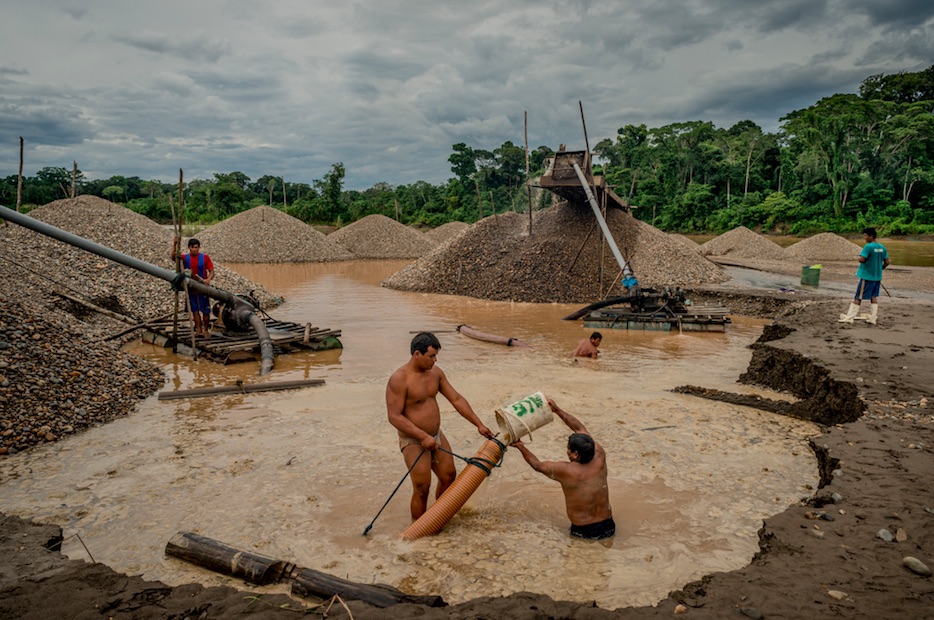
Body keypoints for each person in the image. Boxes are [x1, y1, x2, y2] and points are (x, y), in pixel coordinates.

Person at [386, 331, 494, 520]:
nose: (434, 360)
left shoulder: (436, 373)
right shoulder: (400, 379)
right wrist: (422, 436)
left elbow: (456, 399)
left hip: (436, 435)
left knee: (449, 475)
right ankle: (419, 532)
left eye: (436, 356)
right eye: (431, 356)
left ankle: (438, 518)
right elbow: (394, 416)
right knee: (422, 487)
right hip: (413, 439)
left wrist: (479, 424)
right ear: (417, 354)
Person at [510, 398, 615, 540]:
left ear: (575, 454)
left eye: (568, 448)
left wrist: (521, 446)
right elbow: (579, 428)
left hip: (584, 531)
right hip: (609, 525)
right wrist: (557, 410)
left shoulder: (565, 470)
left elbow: (537, 465)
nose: (566, 451)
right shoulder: (599, 454)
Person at [839, 227, 889, 325]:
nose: (864, 238)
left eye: (865, 236)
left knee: (858, 297)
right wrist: (879, 268)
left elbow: (862, 259)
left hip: (867, 277)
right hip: (877, 277)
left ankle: (849, 318)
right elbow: (887, 262)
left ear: (871, 236)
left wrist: (858, 257)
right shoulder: (882, 247)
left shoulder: (868, 247)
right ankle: (873, 318)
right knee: (873, 296)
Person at [171, 237, 215, 338]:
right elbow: (173, 257)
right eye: (193, 247)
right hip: (191, 287)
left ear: (199, 248)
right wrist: (174, 244)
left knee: (205, 310)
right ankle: (198, 329)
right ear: (189, 248)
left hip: (203, 287)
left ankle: (206, 330)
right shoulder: (185, 258)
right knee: (194, 310)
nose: (195, 249)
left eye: (196, 247)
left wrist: (208, 279)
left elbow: (212, 271)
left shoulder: (205, 257)